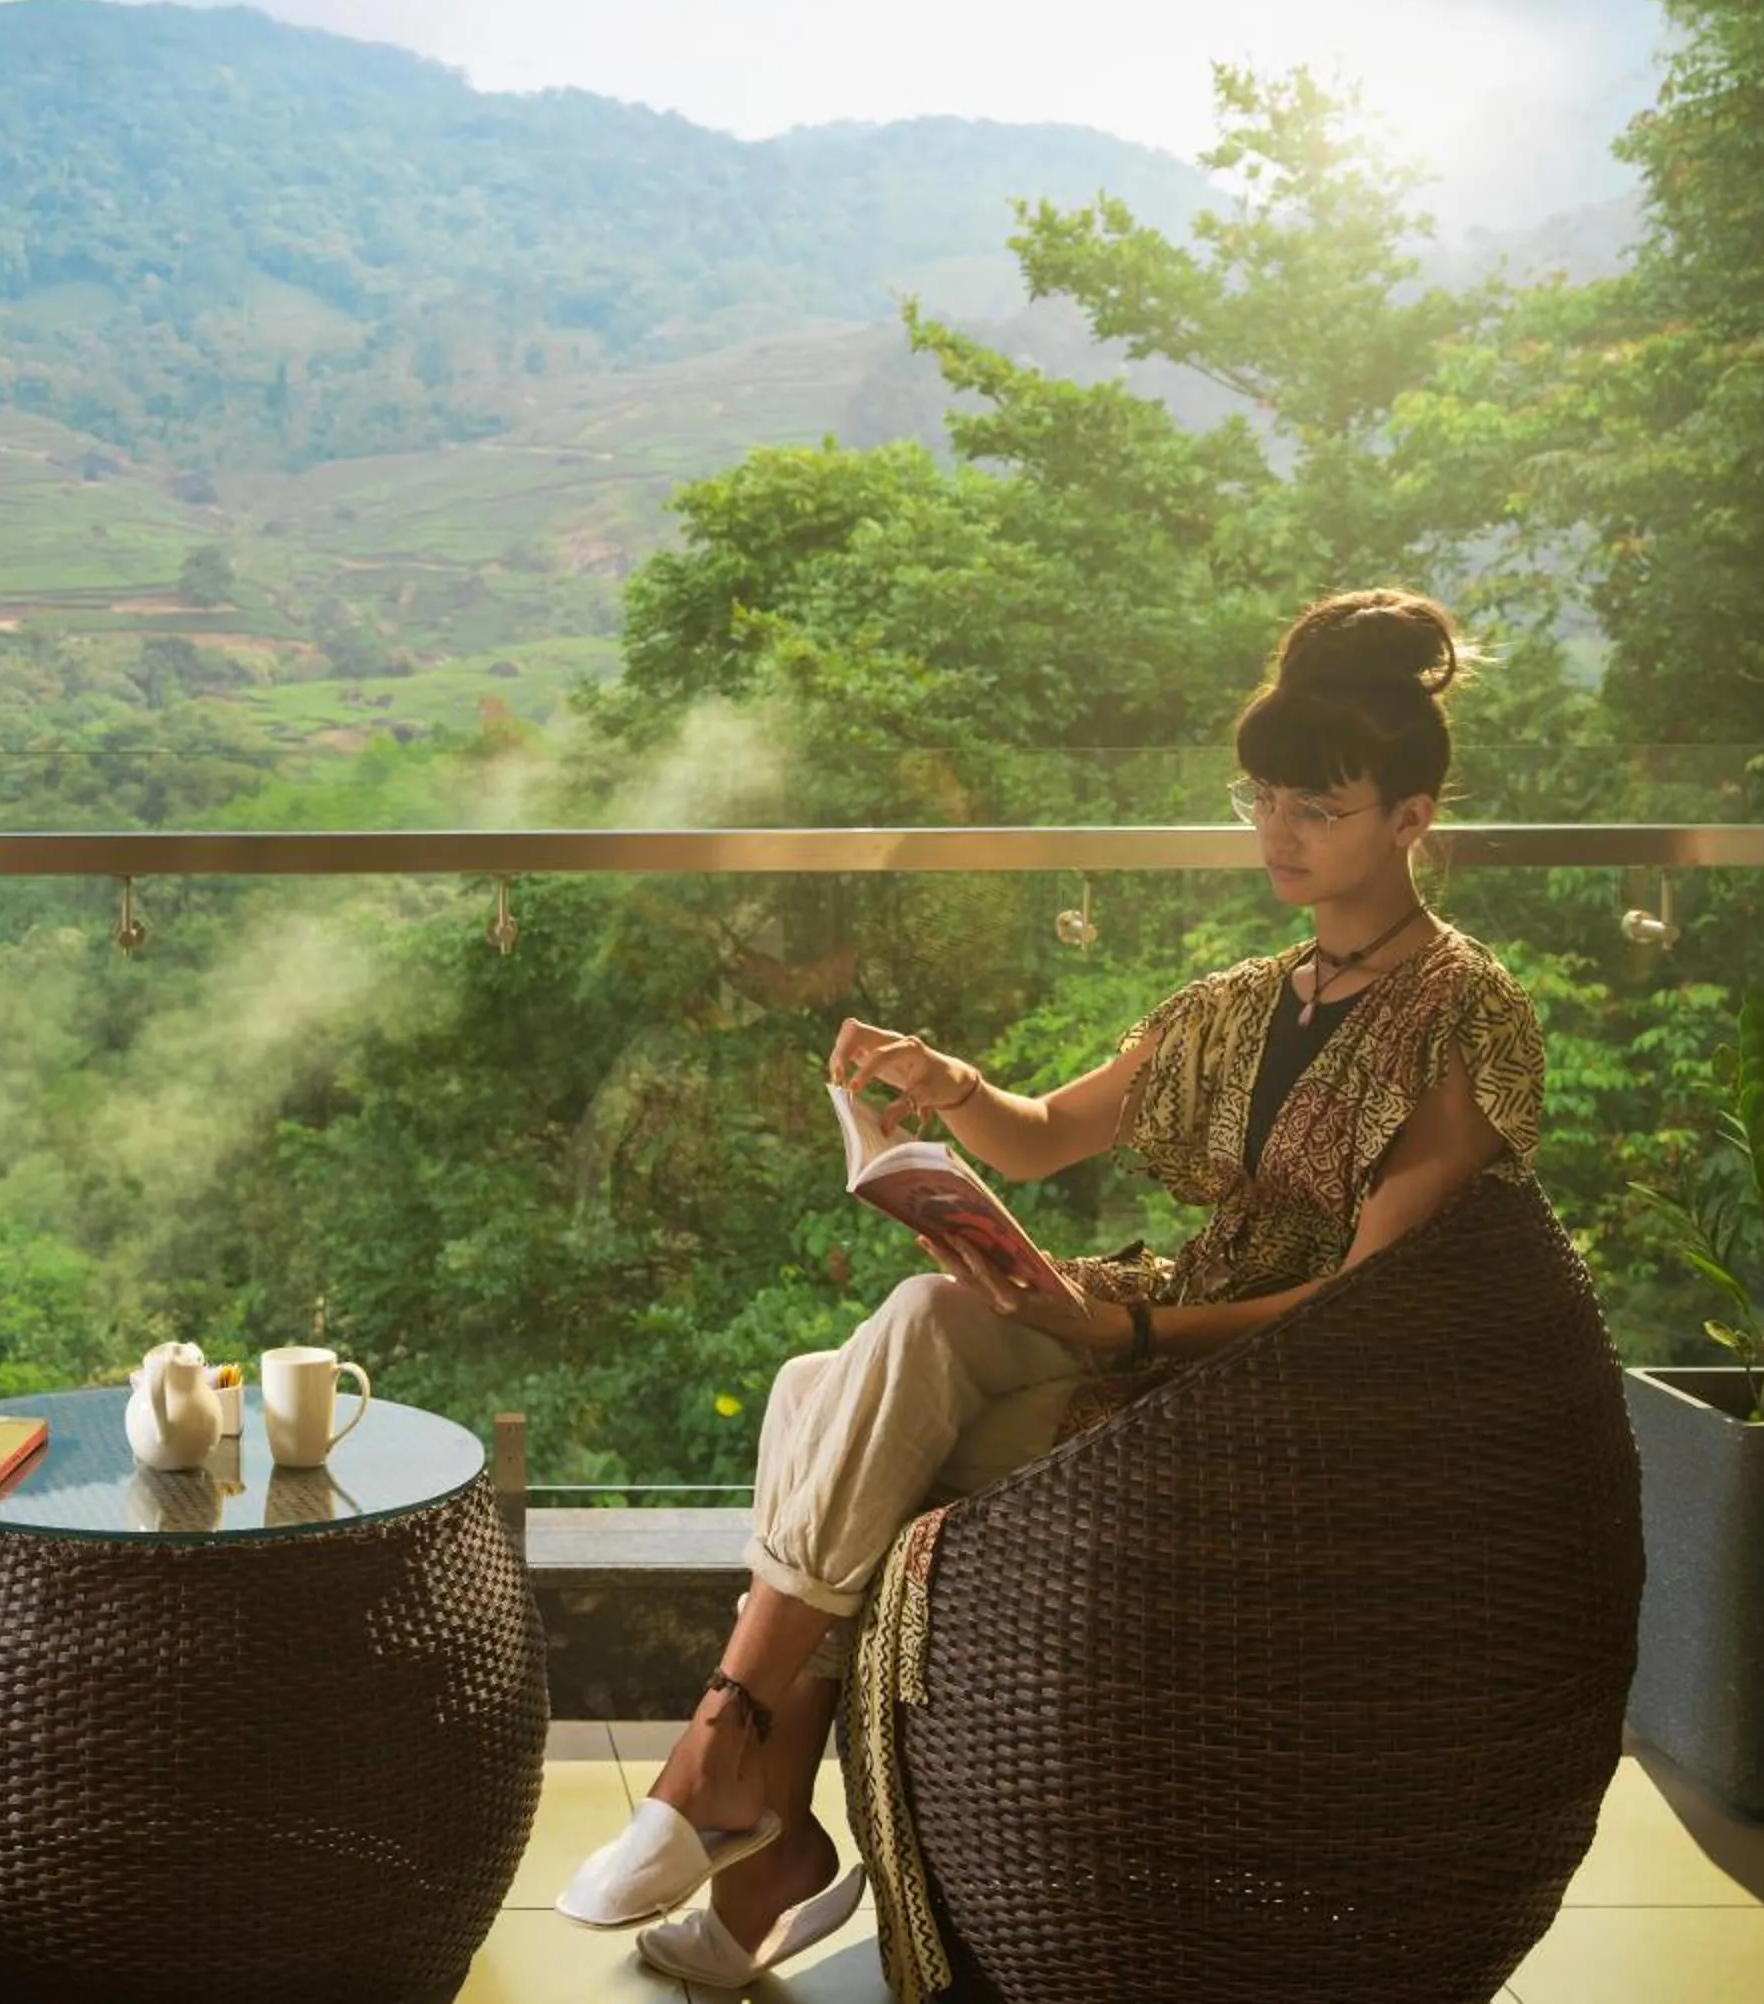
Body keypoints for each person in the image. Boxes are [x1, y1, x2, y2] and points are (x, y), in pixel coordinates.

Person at [557, 587, 1548, 1991]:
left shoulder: (1464, 1012)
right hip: (1154, 1331)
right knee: (846, 1366)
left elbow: (1367, 1309)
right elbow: (1041, 1134)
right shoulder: (1242, 1001)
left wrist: (1126, 1326)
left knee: (833, 1402)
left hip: (1286, 1396)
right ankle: (745, 1808)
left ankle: (729, 1776)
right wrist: (942, 1086)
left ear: (1411, 816)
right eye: (1260, 798)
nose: (1277, 832)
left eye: (1317, 808)